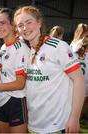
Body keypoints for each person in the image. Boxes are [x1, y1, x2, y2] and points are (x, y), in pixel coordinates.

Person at [14, 5, 85, 133]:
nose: (25, 28)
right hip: (34, 125)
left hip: (58, 126)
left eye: (29, 22)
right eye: (20, 25)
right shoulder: (28, 51)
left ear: (39, 22)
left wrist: (74, 118)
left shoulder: (58, 47)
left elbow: (79, 81)